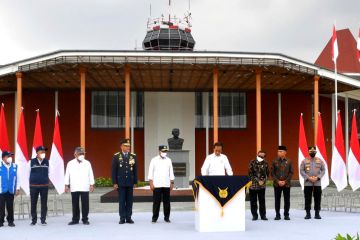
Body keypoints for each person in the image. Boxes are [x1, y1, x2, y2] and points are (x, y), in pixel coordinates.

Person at [65, 147, 95, 225]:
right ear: (75, 154)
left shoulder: (87, 163)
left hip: (84, 186)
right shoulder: (70, 163)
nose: (82, 155)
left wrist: (92, 184)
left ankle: (85, 219)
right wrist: (66, 185)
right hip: (74, 186)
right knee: (75, 204)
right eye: (80, 154)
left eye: (83, 153)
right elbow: (67, 174)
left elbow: (90, 174)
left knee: (85, 204)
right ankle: (75, 219)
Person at [112, 138, 138, 224]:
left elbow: (135, 170)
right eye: (126, 146)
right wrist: (115, 182)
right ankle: (122, 217)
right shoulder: (116, 156)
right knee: (122, 201)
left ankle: (129, 217)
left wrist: (135, 182)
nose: (128, 147)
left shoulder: (133, 156)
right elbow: (114, 170)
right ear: (121, 146)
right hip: (121, 182)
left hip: (130, 182)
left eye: (129, 146)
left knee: (130, 201)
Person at [148, 145, 175, 223]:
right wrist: (151, 183)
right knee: (156, 202)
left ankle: (167, 217)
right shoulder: (154, 160)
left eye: (165, 151)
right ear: (159, 151)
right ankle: (154, 217)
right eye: (163, 151)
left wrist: (172, 182)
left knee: (167, 202)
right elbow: (150, 172)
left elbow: (171, 172)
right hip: (157, 184)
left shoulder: (169, 160)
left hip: (166, 184)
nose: (164, 153)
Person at [300, 146, 325, 220]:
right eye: (311, 151)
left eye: (314, 151)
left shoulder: (320, 160)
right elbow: (301, 171)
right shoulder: (304, 161)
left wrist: (318, 177)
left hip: (317, 183)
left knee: (318, 198)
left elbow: (323, 170)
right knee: (307, 198)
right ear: (308, 152)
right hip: (308, 183)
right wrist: (308, 178)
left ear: (316, 152)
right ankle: (308, 214)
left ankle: (317, 214)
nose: (312, 152)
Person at [271, 145, 293, 220]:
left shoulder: (289, 161)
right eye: (278, 151)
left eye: (281, 151)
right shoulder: (274, 161)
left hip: (286, 184)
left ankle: (286, 214)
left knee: (287, 200)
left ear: (285, 152)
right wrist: (278, 181)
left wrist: (285, 181)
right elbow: (272, 173)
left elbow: (291, 172)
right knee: (277, 200)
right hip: (277, 184)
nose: (279, 153)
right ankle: (277, 214)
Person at [29, 146, 49, 226]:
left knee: (44, 203)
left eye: (44, 152)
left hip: (44, 186)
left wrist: (47, 181)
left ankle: (43, 220)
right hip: (34, 186)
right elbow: (27, 174)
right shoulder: (31, 162)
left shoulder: (47, 161)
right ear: (37, 153)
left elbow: (50, 173)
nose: (43, 153)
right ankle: (34, 220)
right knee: (33, 203)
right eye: (41, 152)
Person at [248, 150, 269, 221]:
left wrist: (263, 181)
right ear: (257, 155)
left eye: (262, 156)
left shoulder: (266, 163)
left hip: (262, 186)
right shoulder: (252, 162)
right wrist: (258, 180)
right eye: (259, 156)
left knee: (262, 201)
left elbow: (267, 174)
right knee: (253, 201)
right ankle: (254, 215)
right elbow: (250, 174)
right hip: (253, 185)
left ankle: (263, 215)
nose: (261, 157)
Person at [0, 151, 19, 227]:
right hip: (1, 190)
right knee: (1, 207)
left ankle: (10, 221)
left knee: (10, 206)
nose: (10, 158)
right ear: (3, 158)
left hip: (10, 190)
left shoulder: (15, 166)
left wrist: (17, 188)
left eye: (10, 156)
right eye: (8, 156)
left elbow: (18, 178)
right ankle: (0, 221)